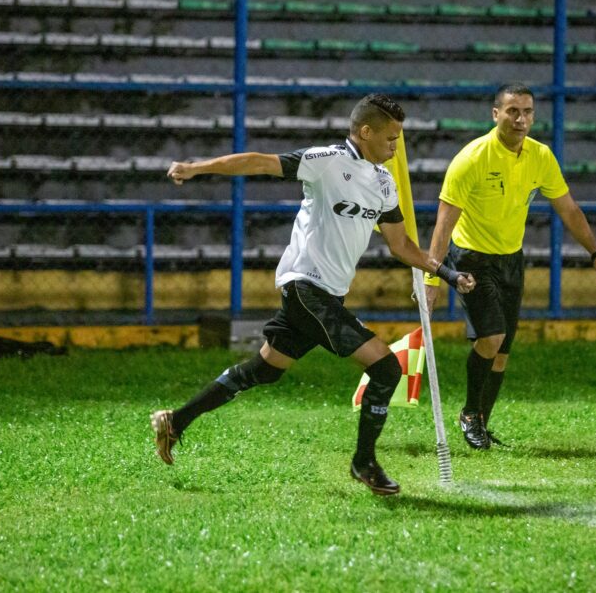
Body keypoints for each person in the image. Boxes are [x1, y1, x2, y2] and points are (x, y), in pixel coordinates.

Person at [150, 94, 476, 495]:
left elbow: (401, 245)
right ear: (365, 131)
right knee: (387, 368)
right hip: (305, 285)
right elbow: (259, 161)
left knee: (266, 369)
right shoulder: (326, 160)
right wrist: (195, 168)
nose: (395, 146)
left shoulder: (383, 182)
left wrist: (445, 273)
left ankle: (175, 421)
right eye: (390, 138)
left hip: (329, 295)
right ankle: (364, 462)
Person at [423, 83, 596, 451]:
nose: (520, 119)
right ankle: (470, 415)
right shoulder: (472, 158)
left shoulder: (540, 157)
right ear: (496, 114)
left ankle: (481, 422)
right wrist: (432, 277)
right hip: (471, 259)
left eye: (527, 112)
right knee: (490, 339)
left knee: (503, 351)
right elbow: (443, 224)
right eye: (512, 111)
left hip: (512, 259)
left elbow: (569, 209)